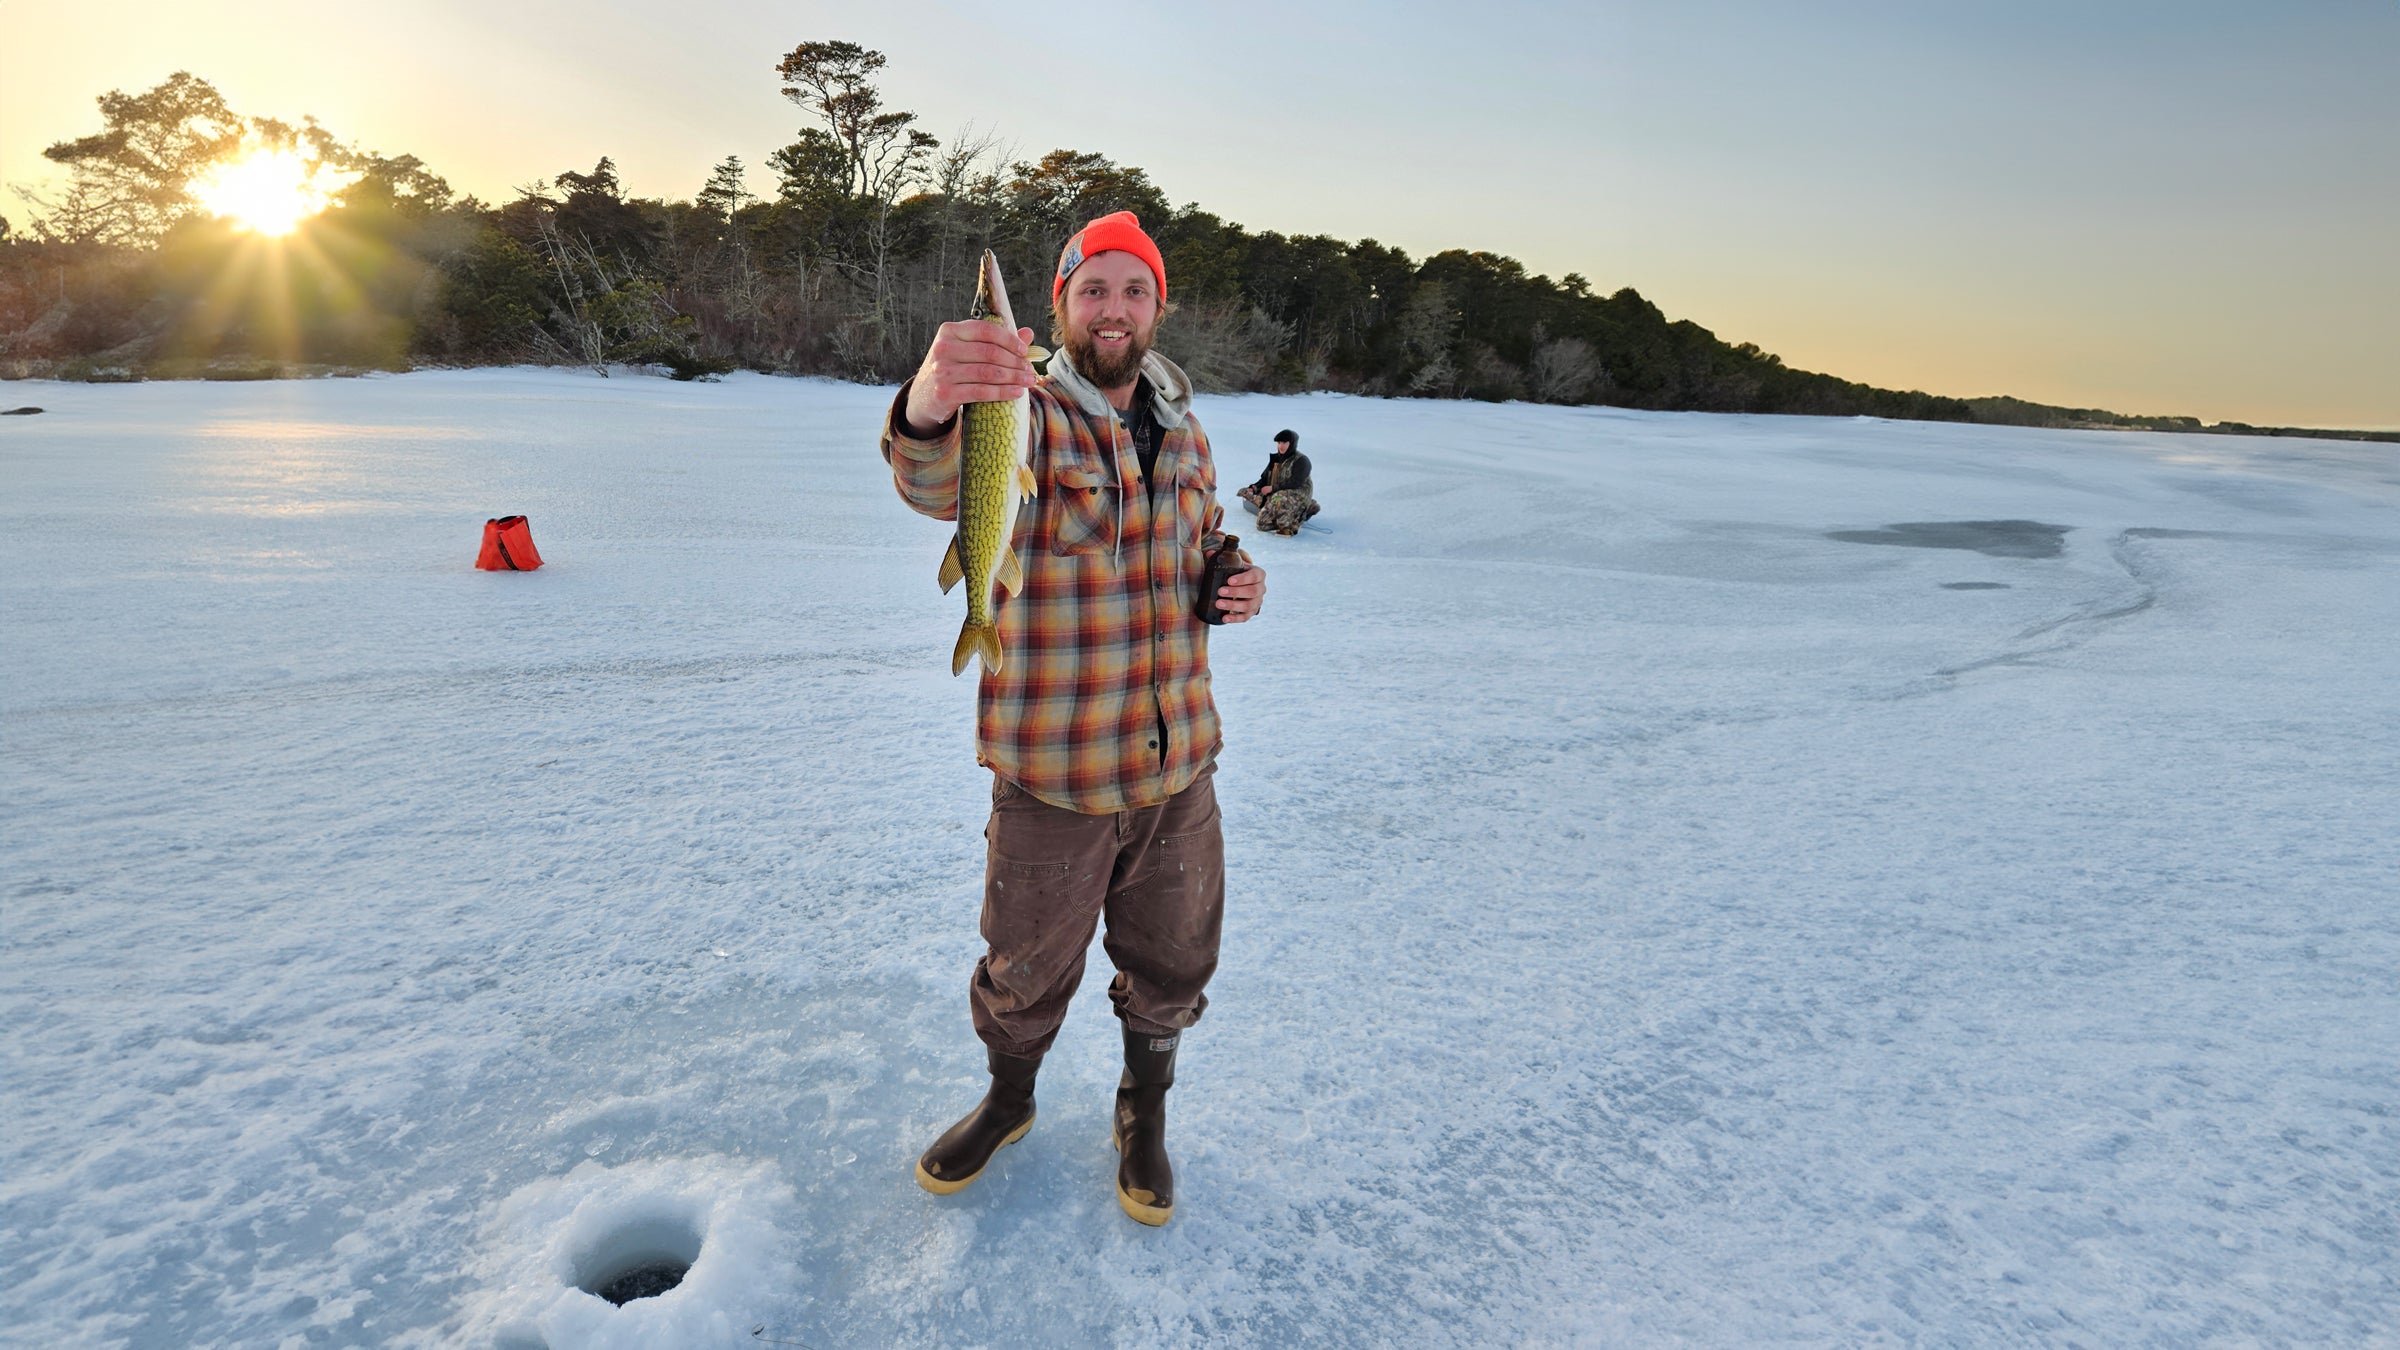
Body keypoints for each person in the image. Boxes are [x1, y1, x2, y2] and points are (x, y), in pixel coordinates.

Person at [877, 211, 1267, 1227]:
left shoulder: (1186, 424)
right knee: (1024, 963)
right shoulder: (1032, 409)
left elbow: (1199, 539)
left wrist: (1225, 575)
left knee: (1175, 960)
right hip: (1056, 765)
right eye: (1094, 289)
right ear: (1060, 304)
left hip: (1178, 766)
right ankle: (1008, 1101)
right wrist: (931, 399)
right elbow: (935, 477)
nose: (1114, 308)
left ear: (1157, 307)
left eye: (1132, 290)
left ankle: (1144, 1112)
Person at [1238, 429, 1317, 536]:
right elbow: (1265, 478)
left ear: (1292, 444)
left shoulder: (1302, 460)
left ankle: (1294, 522)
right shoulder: (1275, 459)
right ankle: (1284, 514)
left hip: (1298, 495)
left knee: (1279, 496)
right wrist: (1254, 488)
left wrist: (1272, 488)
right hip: (1277, 493)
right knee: (1262, 524)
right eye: (1279, 443)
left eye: (1284, 442)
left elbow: (1295, 483)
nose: (1281, 446)